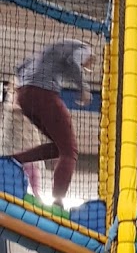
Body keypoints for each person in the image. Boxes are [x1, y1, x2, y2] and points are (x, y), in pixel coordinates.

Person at [8, 40, 94, 206]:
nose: (85, 68)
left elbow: (19, 67)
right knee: (70, 151)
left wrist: (20, 89)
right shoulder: (84, 49)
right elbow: (73, 62)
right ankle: (58, 200)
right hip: (43, 93)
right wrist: (83, 88)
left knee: (59, 147)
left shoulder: (48, 52)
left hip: (25, 97)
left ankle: (12, 160)